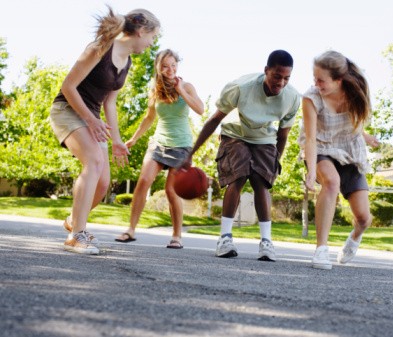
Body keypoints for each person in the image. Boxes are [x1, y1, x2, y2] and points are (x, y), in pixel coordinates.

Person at [49, 7, 160, 255]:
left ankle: (73, 221)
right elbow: (68, 87)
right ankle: (77, 235)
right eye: (152, 37)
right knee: (94, 162)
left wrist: (117, 141)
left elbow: (110, 103)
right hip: (68, 110)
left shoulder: (127, 62)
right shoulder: (99, 48)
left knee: (103, 184)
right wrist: (90, 120)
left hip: (92, 118)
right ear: (141, 31)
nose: (152, 43)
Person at [182, 50, 300, 261]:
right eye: (277, 76)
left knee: (261, 182)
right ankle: (224, 238)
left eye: (286, 78)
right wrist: (192, 152)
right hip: (235, 133)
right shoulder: (241, 88)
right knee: (238, 176)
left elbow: (283, 135)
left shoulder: (291, 98)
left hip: (264, 138)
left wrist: (275, 161)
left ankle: (266, 242)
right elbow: (214, 120)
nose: (281, 82)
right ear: (266, 71)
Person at [114, 49, 204, 248]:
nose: (170, 69)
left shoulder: (187, 86)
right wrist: (134, 139)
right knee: (144, 180)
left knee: (171, 191)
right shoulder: (155, 89)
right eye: (165, 66)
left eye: (173, 65)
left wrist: (180, 90)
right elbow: (149, 118)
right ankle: (130, 230)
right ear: (159, 68)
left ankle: (177, 236)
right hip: (159, 142)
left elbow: (200, 109)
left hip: (181, 145)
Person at [299, 50, 379, 270]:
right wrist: (312, 173)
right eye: (314, 78)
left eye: (321, 80)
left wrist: (366, 136)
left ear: (339, 80)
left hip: (350, 150)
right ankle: (321, 250)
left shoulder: (355, 94)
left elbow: (352, 123)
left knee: (364, 218)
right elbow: (311, 139)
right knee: (331, 182)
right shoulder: (311, 98)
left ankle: (354, 238)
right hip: (320, 146)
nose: (316, 84)